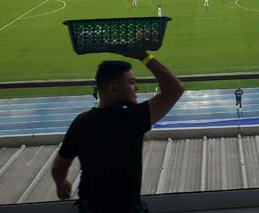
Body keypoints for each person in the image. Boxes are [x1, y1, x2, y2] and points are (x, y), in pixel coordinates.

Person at [52, 54, 184, 213]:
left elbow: (59, 166)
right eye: (131, 82)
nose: (136, 88)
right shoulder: (132, 119)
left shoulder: (81, 122)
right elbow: (175, 89)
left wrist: (62, 185)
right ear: (114, 89)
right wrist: (143, 55)